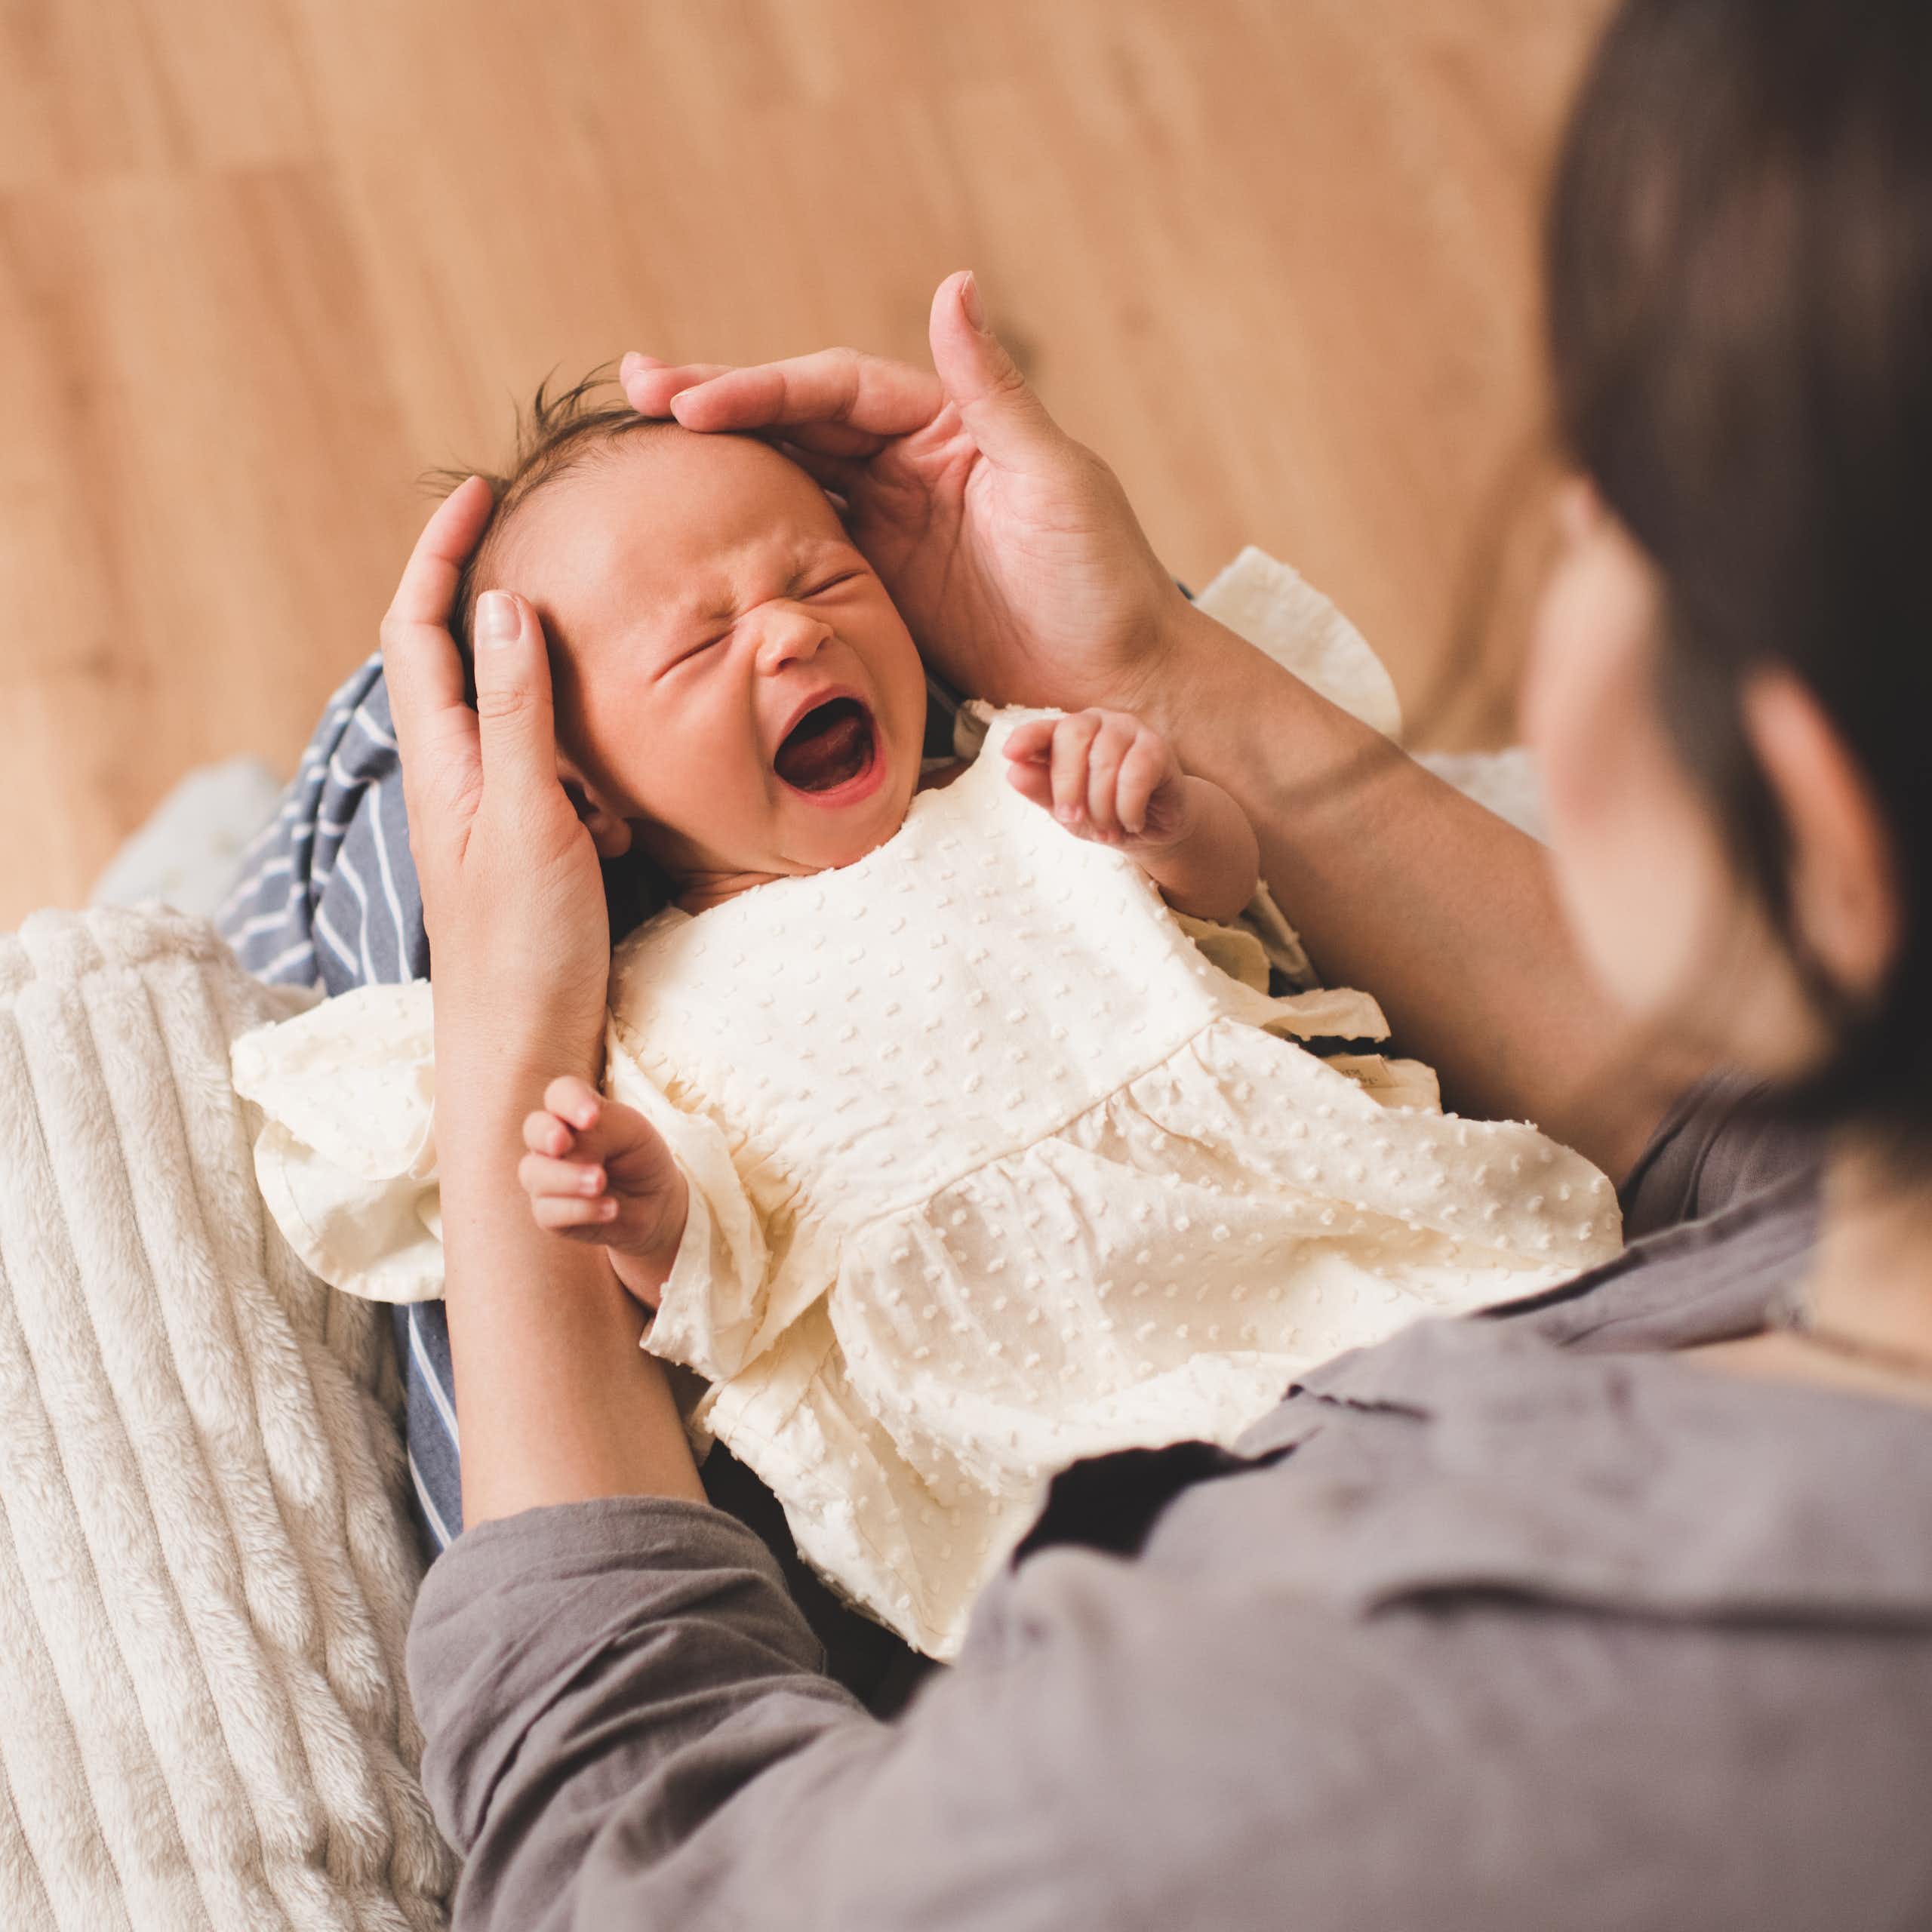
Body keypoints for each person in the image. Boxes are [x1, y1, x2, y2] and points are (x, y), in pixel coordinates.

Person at [393, 0, 1932, 1923]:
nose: (787, 636)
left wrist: (494, 1033)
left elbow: (620, 1847)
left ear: (1809, 808)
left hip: (1264, 1318)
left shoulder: (1249, 1758)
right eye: (697, 647)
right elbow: (1780, 1170)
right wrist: (1145, 662)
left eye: (1607, 518)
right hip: (994, 1337)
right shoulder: (669, 1002)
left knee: (358, 778)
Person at [232, 402, 1616, 1657]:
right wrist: (644, 1208)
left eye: (824, 578)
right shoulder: (639, 1008)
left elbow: (1245, 927)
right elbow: (725, 1287)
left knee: (1503, 1397)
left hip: (1292, 1236)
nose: (793, 635)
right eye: (700, 645)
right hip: (1017, 1395)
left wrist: (1165, 819)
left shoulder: (1020, 773)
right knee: (1171, 1604)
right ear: (584, 800)